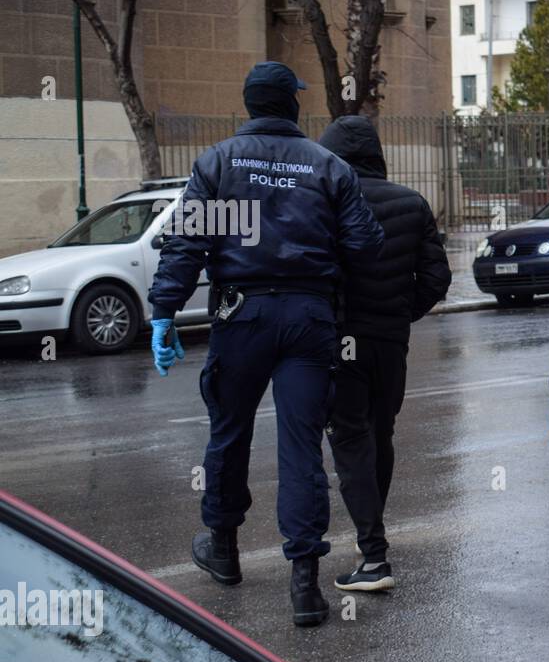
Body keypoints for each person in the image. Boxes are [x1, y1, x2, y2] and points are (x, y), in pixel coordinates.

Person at [148, 61, 385, 627]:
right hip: (308, 316)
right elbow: (365, 246)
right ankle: (305, 584)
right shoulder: (327, 166)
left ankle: (224, 549)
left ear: (250, 106)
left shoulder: (219, 162)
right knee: (301, 446)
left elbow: (187, 244)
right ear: (291, 106)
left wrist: (163, 312)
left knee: (229, 432)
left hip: (241, 315)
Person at [318, 115, 451, 591]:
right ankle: (369, 530)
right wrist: (398, 315)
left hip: (343, 339)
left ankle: (374, 558)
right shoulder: (411, 203)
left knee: (350, 439)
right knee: (380, 433)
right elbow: (437, 279)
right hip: (391, 343)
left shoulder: (328, 202)